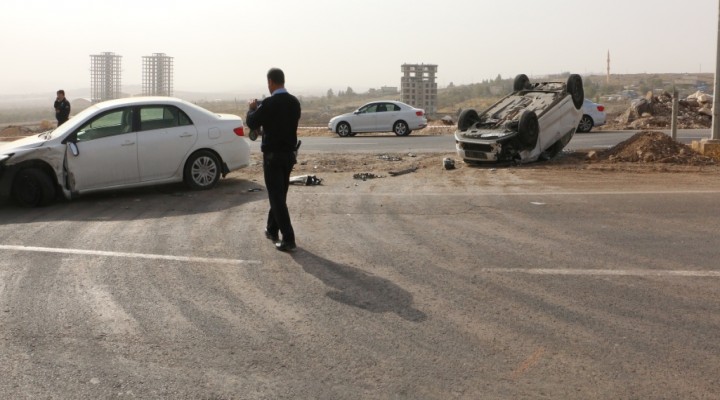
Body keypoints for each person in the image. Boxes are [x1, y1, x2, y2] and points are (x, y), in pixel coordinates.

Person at [246, 68, 301, 251]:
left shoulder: (269, 103)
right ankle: (272, 228)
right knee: (279, 194)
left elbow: (252, 123)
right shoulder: (294, 102)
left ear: (271, 82)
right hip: (289, 156)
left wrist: (251, 109)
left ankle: (288, 238)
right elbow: (283, 125)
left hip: (273, 157)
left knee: (276, 197)